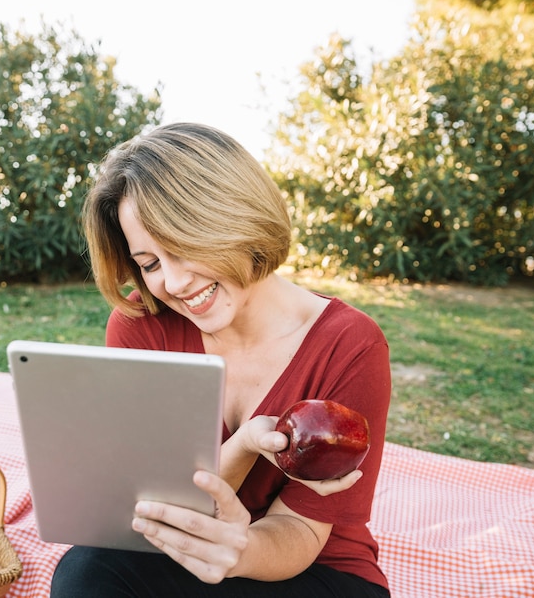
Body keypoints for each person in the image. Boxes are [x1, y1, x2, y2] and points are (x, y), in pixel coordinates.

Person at [50, 122, 392, 597]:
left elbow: (303, 531)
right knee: (87, 569)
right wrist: (246, 445)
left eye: (183, 246)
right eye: (149, 264)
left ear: (233, 218)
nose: (172, 282)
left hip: (307, 569)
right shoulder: (140, 326)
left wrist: (239, 548)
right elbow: (159, 505)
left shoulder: (351, 345)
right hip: (182, 548)